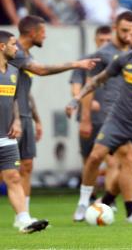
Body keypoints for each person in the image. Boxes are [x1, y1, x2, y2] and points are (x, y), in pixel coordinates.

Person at [67, 21, 132, 226]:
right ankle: (83, 203)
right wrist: (77, 98)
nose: (129, 38)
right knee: (94, 157)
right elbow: (98, 79)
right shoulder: (124, 58)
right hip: (118, 118)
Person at [8, 15, 98, 218]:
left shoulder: (24, 55)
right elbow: (41, 70)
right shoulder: (16, 53)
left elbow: (25, 91)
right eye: (43, 31)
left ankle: (23, 215)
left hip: (24, 117)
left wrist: (36, 118)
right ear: (32, 33)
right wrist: (77, 64)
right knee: (9, 169)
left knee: (26, 166)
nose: (45, 35)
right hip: (9, 118)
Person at [79, 11, 132, 220]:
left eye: (131, 31)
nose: (128, 35)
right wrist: (85, 117)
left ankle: (110, 202)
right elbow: (90, 85)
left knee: (128, 161)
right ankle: (86, 201)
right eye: (124, 30)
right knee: (98, 158)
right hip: (109, 115)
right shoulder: (103, 54)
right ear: (115, 27)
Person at [0, 30, 48, 233]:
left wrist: (17, 121)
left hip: (6, 136)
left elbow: (15, 101)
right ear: (2, 47)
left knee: (14, 177)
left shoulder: (13, 71)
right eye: (13, 44)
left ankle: (24, 220)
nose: (17, 48)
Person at [69, 25, 116, 206]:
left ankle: (109, 200)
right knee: (89, 160)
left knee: (112, 160)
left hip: (111, 119)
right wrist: (82, 102)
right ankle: (91, 198)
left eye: (107, 40)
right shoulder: (85, 61)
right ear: (95, 40)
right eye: (101, 40)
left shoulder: (116, 60)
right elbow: (75, 86)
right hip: (89, 119)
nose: (104, 43)